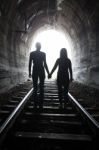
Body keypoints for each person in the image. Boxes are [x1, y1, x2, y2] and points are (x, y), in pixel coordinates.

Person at [29, 42, 49, 108]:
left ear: (35, 46)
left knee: (35, 87)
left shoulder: (32, 53)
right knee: (41, 87)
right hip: (41, 70)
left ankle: (35, 103)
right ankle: (41, 103)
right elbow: (45, 64)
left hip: (35, 70)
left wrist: (29, 72)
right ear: (40, 47)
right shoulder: (43, 54)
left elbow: (30, 64)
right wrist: (48, 72)